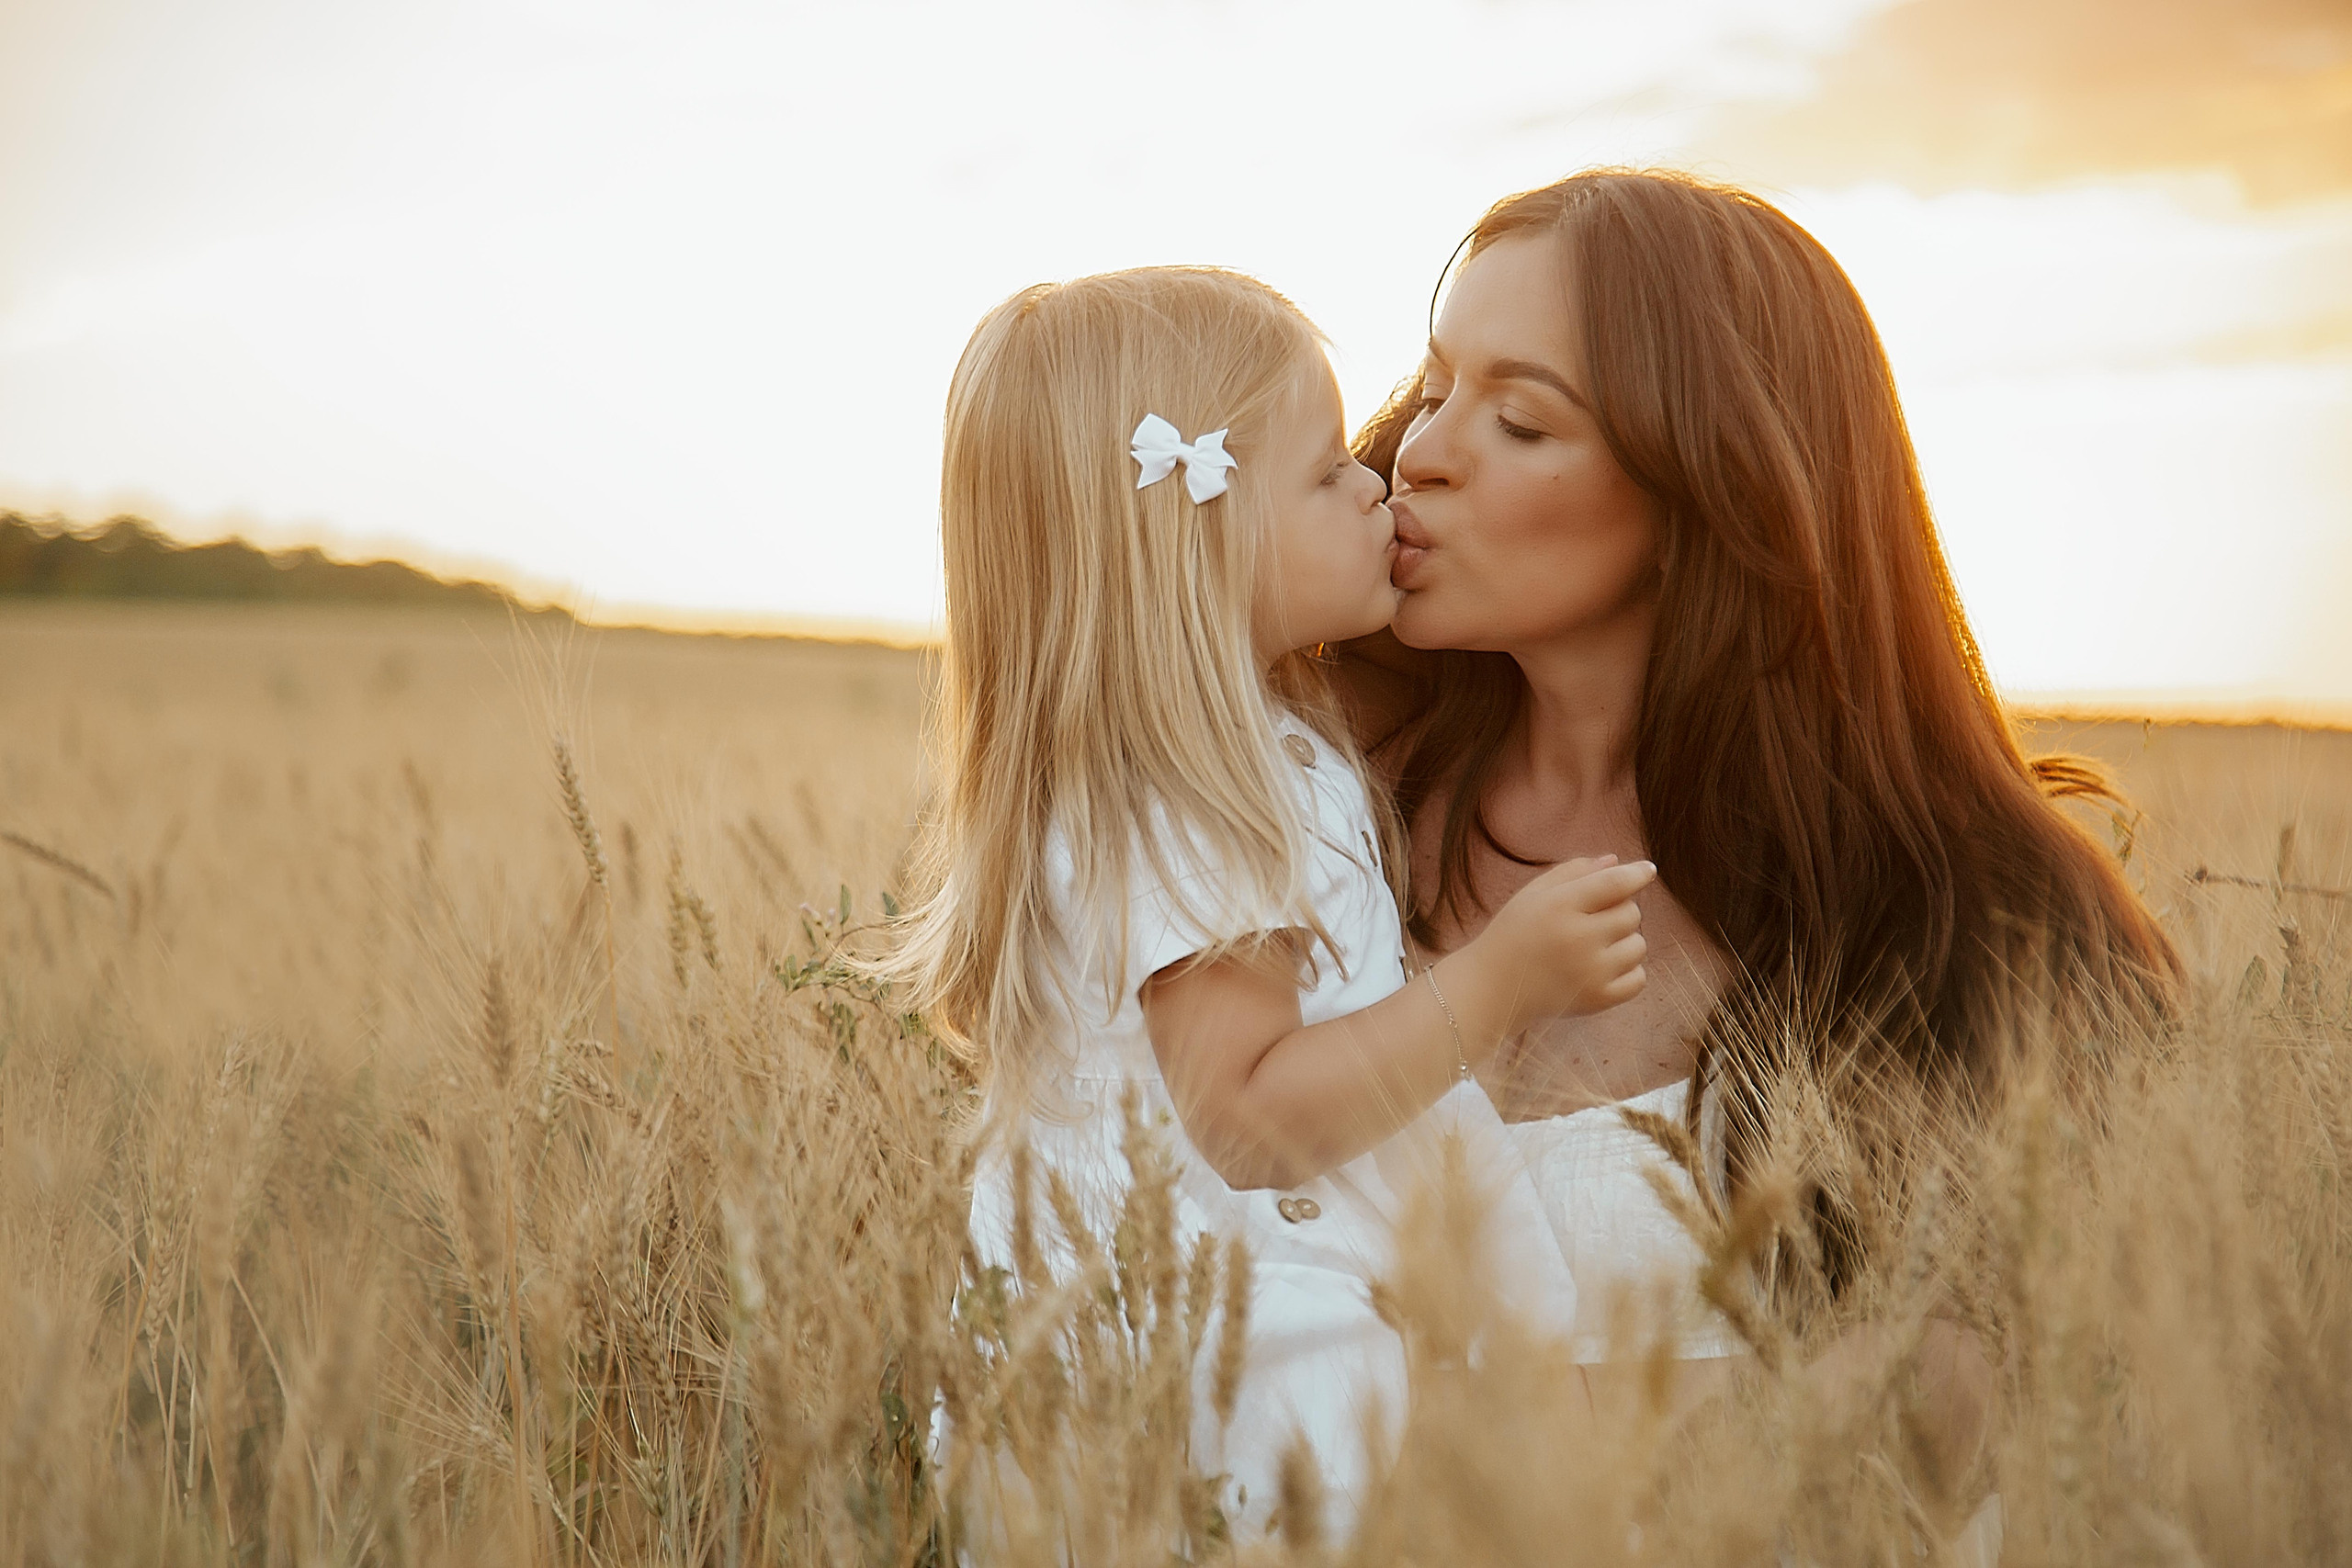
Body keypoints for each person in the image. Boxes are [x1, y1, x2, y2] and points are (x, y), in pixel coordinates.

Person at [1339, 168, 2184, 1558]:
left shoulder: (1967, 913)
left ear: (1708, 485)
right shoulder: (1327, 815)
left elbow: (1961, 1396)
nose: (1421, 452)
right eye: (1433, 389)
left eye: (1520, 420)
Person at [884, 265, 1657, 1535]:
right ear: (1200, 542)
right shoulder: (1190, 799)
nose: (1379, 478)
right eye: (1325, 473)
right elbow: (1248, 1120)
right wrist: (1499, 982)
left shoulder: (1229, 758)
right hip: (1241, 1388)